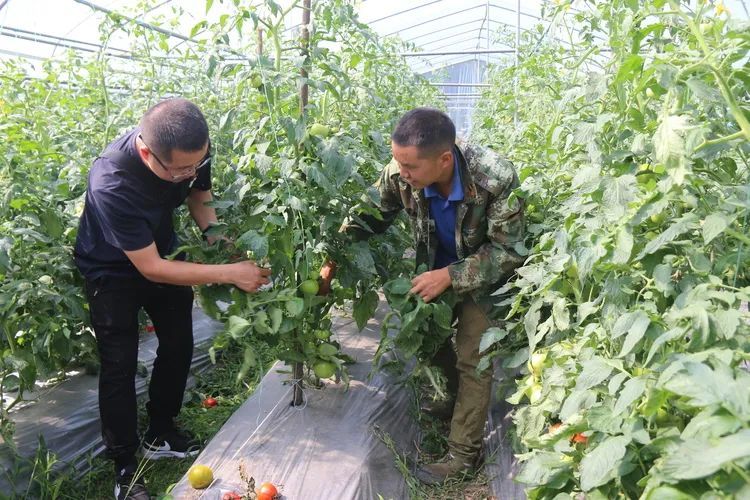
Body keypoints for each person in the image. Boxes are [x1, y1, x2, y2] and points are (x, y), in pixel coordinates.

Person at [74, 98, 271, 500]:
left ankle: (160, 430)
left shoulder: (191, 149)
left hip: (164, 250)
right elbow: (151, 268)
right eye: (179, 169)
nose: (189, 173)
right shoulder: (112, 180)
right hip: (111, 269)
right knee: (119, 362)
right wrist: (230, 273)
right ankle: (125, 466)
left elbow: (201, 197)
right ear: (147, 153)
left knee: (179, 344)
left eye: (196, 164)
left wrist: (220, 244)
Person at [320, 108, 525, 484]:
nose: (403, 173)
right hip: (432, 265)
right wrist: (331, 258)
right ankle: (448, 399)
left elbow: (508, 250)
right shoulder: (400, 173)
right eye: (398, 162)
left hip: (483, 277)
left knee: (473, 358)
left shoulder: (493, 178)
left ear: (445, 159)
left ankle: (463, 455)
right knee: (429, 340)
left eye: (410, 166)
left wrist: (450, 276)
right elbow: (367, 217)